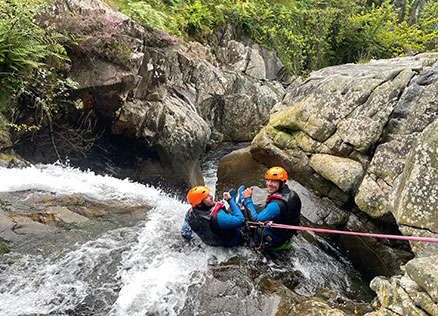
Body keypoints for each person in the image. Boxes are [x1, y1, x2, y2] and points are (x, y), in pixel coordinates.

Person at [240, 166, 301, 250]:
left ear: (282, 182)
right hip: (286, 233)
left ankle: (255, 242)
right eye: (268, 180)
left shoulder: (276, 205)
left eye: (273, 181)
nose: (269, 184)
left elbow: (256, 219)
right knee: (258, 208)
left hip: (275, 238)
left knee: (248, 217)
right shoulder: (293, 194)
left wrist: (248, 199)